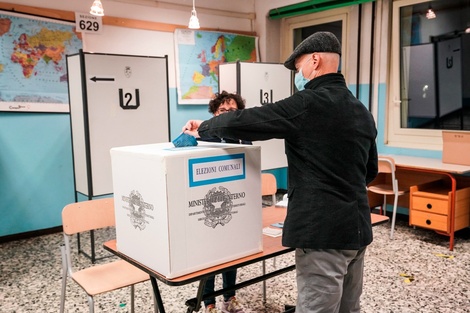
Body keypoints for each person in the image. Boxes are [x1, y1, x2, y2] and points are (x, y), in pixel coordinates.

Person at [183, 31, 378, 313]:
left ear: (314, 61)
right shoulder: (361, 110)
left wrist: (203, 127)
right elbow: (369, 171)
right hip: (357, 229)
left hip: (322, 235)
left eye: (298, 68)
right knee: (349, 309)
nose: (298, 75)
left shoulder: (308, 103)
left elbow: (248, 120)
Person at [201, 90, 249, 313]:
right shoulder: (202, 136)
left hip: (235, 206)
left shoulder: (244, 138)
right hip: (208, 206)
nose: (227, 114)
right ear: (214, 112)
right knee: (209, 255)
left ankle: (229, 299)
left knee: (231, 256)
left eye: (232, 111)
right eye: (222, 110)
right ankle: (209, 303)